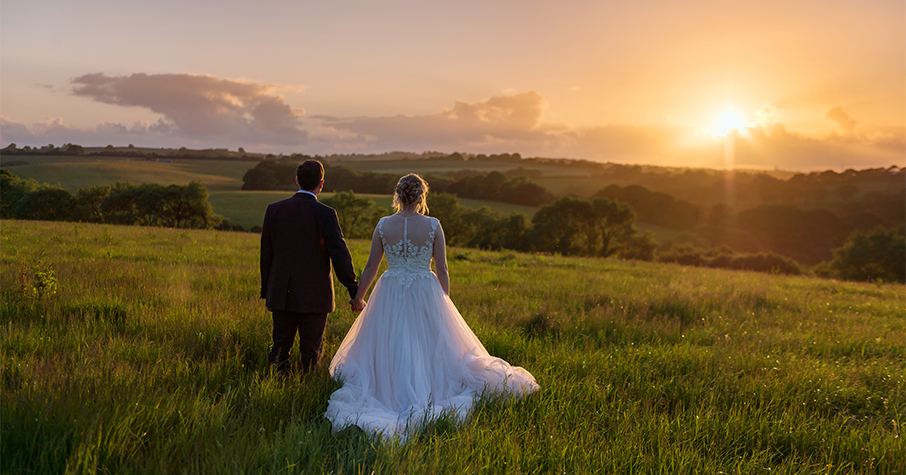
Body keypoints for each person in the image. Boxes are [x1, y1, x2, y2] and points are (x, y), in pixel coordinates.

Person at [325, 173, 539, 438]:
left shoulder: (383, 225)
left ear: (398, 196)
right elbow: (442, 269)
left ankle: (390, 387)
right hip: (425, 287)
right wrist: (443, 301)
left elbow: (371, 266)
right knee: (429, 341)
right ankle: (425, 388)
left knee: (391, 339)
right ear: (421, 196)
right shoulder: (433, 225)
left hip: (390, 287)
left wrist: (358, 297)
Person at [260, 160, 361, 374]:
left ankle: (275, 392)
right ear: (321, 183)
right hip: (315, 296)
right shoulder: (326, 213)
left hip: (280, 294)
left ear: (297, 180)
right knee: (311, 353)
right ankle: (307, 392)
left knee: (279, 351)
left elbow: (266, 255)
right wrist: (354, 290)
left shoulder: (274, 210)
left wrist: (267, 291)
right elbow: (339, 253)